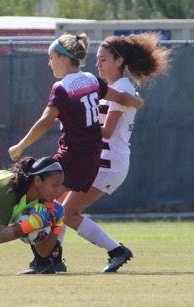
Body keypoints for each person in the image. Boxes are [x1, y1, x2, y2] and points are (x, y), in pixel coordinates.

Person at [8, 33, 144, 274]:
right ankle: (52, 259)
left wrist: (20, 146)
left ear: (62, 58)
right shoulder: (91, 79)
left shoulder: (62, 87)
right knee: (54, 205)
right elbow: (120, 97)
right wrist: (137, 103)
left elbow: (45, 121)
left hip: (75, 156)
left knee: (37, 198)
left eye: (51, 57)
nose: (49, 63)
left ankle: (46, 261)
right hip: (89, 158)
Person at [56, 32, 171, 273]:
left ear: (119, 61)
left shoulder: (122, 88)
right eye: (96, 59)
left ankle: (116, 251)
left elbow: (107, 132)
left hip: (109, 164)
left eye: (103, 59)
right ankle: (52, 258)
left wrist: (76, 122)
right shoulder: (114, 88)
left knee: (66, 213)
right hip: (99, 161)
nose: (98, 64)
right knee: (57, 206)